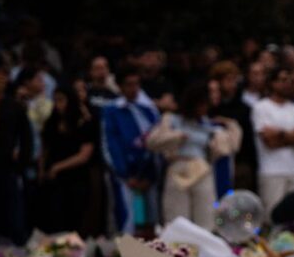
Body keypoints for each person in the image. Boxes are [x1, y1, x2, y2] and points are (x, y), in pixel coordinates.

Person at [147, 84, 242, 229]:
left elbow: (232, 146)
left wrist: (230, 124)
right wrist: (176, 136)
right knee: (177, 216)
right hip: (178, 168)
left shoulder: (207, 124)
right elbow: (152, 142)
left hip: (202, 169)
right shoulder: (171, 120)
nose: (204, 108)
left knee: (206, 216)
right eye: (201, 105)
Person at [102, 66, 160, 235]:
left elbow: (157, 141)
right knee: (128, 220)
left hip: (149, 174)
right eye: (128, 84)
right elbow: (110, 144)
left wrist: (151, 175)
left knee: (152, 219)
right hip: (125, 176)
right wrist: (125, 175)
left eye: (136, 84)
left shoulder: (149, 109)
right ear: (120, 87)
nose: (133, 89)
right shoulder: (111, 111)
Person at [0, 61, 32, 244]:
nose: (0, 76)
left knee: (16, 224)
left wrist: (22, 163)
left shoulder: (14, 104)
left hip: (9, 170)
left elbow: (26, 137)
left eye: (3, 72)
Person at [38, 87, 98, 235]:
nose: (58, 104)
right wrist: (42, 170)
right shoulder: (51, 123)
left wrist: (58, 167)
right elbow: (44, 150)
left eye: (62, 100)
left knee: (75, 221)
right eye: (56, 100)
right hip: (54, 181)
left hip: (76, 179)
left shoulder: (83, 123)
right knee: (54, 222)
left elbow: (84, 155)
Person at [251, 68, 294, 215]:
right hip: (271, 171)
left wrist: (280, 133)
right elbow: (269, 141)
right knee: (273, 215)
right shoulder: (261, 107)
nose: (287, 84)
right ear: (272, 83)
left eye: (290, 81)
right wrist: (291, 136)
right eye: (283, 80)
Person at [210, 60, 256, 193]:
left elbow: (248, 142)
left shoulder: (244, 109)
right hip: (214, 163)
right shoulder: (209, 108)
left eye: (235, 80)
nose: (233, 84)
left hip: (239, 163)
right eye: (229, 80)